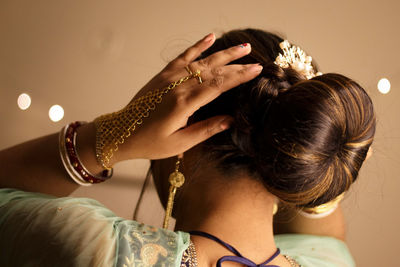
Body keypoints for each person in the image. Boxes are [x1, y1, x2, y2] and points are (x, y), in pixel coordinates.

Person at [0, 29, 375, 267]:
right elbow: (323, 233)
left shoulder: (104, 251)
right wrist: (314, 143)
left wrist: (117, 132)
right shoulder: (330, 260)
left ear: (182, 137)